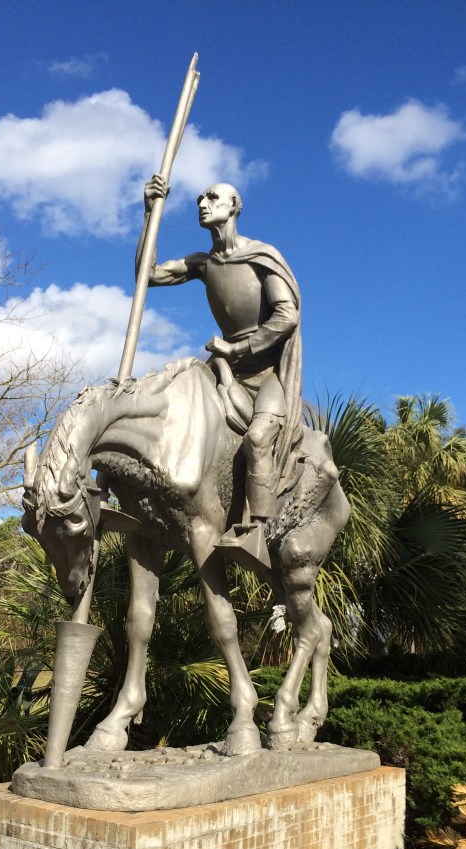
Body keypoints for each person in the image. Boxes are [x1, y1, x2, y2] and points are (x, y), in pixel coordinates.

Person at [137, 174, 303, 563]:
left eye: (213, 197)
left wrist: (237, 347)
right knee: (166, 408)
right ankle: (109, 486)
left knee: (259, 437)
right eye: (199, 198)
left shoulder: (262, 256)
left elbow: (286, 316)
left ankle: (257, 533)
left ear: (234, 207)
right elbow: (148, 275)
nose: (202, 203)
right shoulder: (203, 263)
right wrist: (150, 213)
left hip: (265, 376)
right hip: (223, 368)